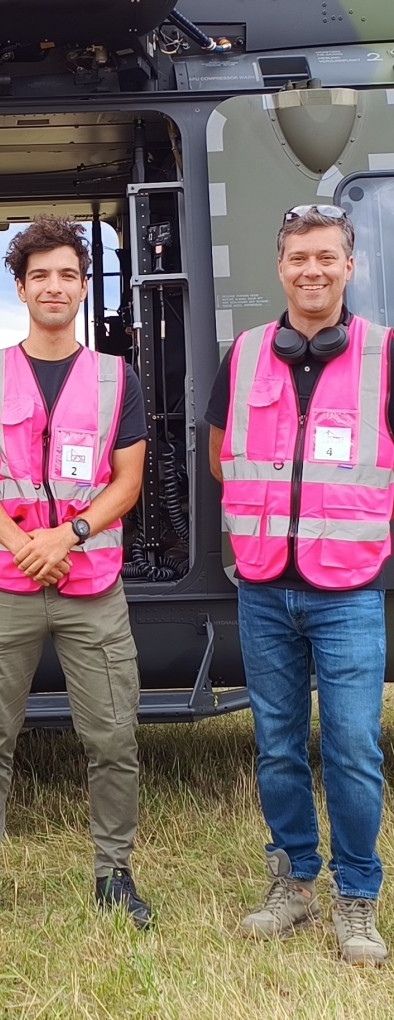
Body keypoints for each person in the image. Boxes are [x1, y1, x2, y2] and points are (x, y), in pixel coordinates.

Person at [0, 215, 149, 932]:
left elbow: (128, 483)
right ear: (21, 288)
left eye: (67, 274)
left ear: (82, 285)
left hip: (91, 585)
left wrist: (71, 533)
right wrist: (25, 542)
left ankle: (114, 875)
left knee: (112, 736)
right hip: (6, 584)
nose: (54, 287)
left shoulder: (116, 377)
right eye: (41, 276)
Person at [206, 204, 392, 967]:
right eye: (297, 259)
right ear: (279, 268)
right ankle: (293, 883)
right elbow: (221, 456)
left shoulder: (385, 355)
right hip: (263, 586)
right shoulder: (245, 354)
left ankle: (357, 897)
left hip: (349, 589)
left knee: (351, 746)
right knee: (278, 746)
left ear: (350, 267)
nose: (311, 270)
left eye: (326, 258)